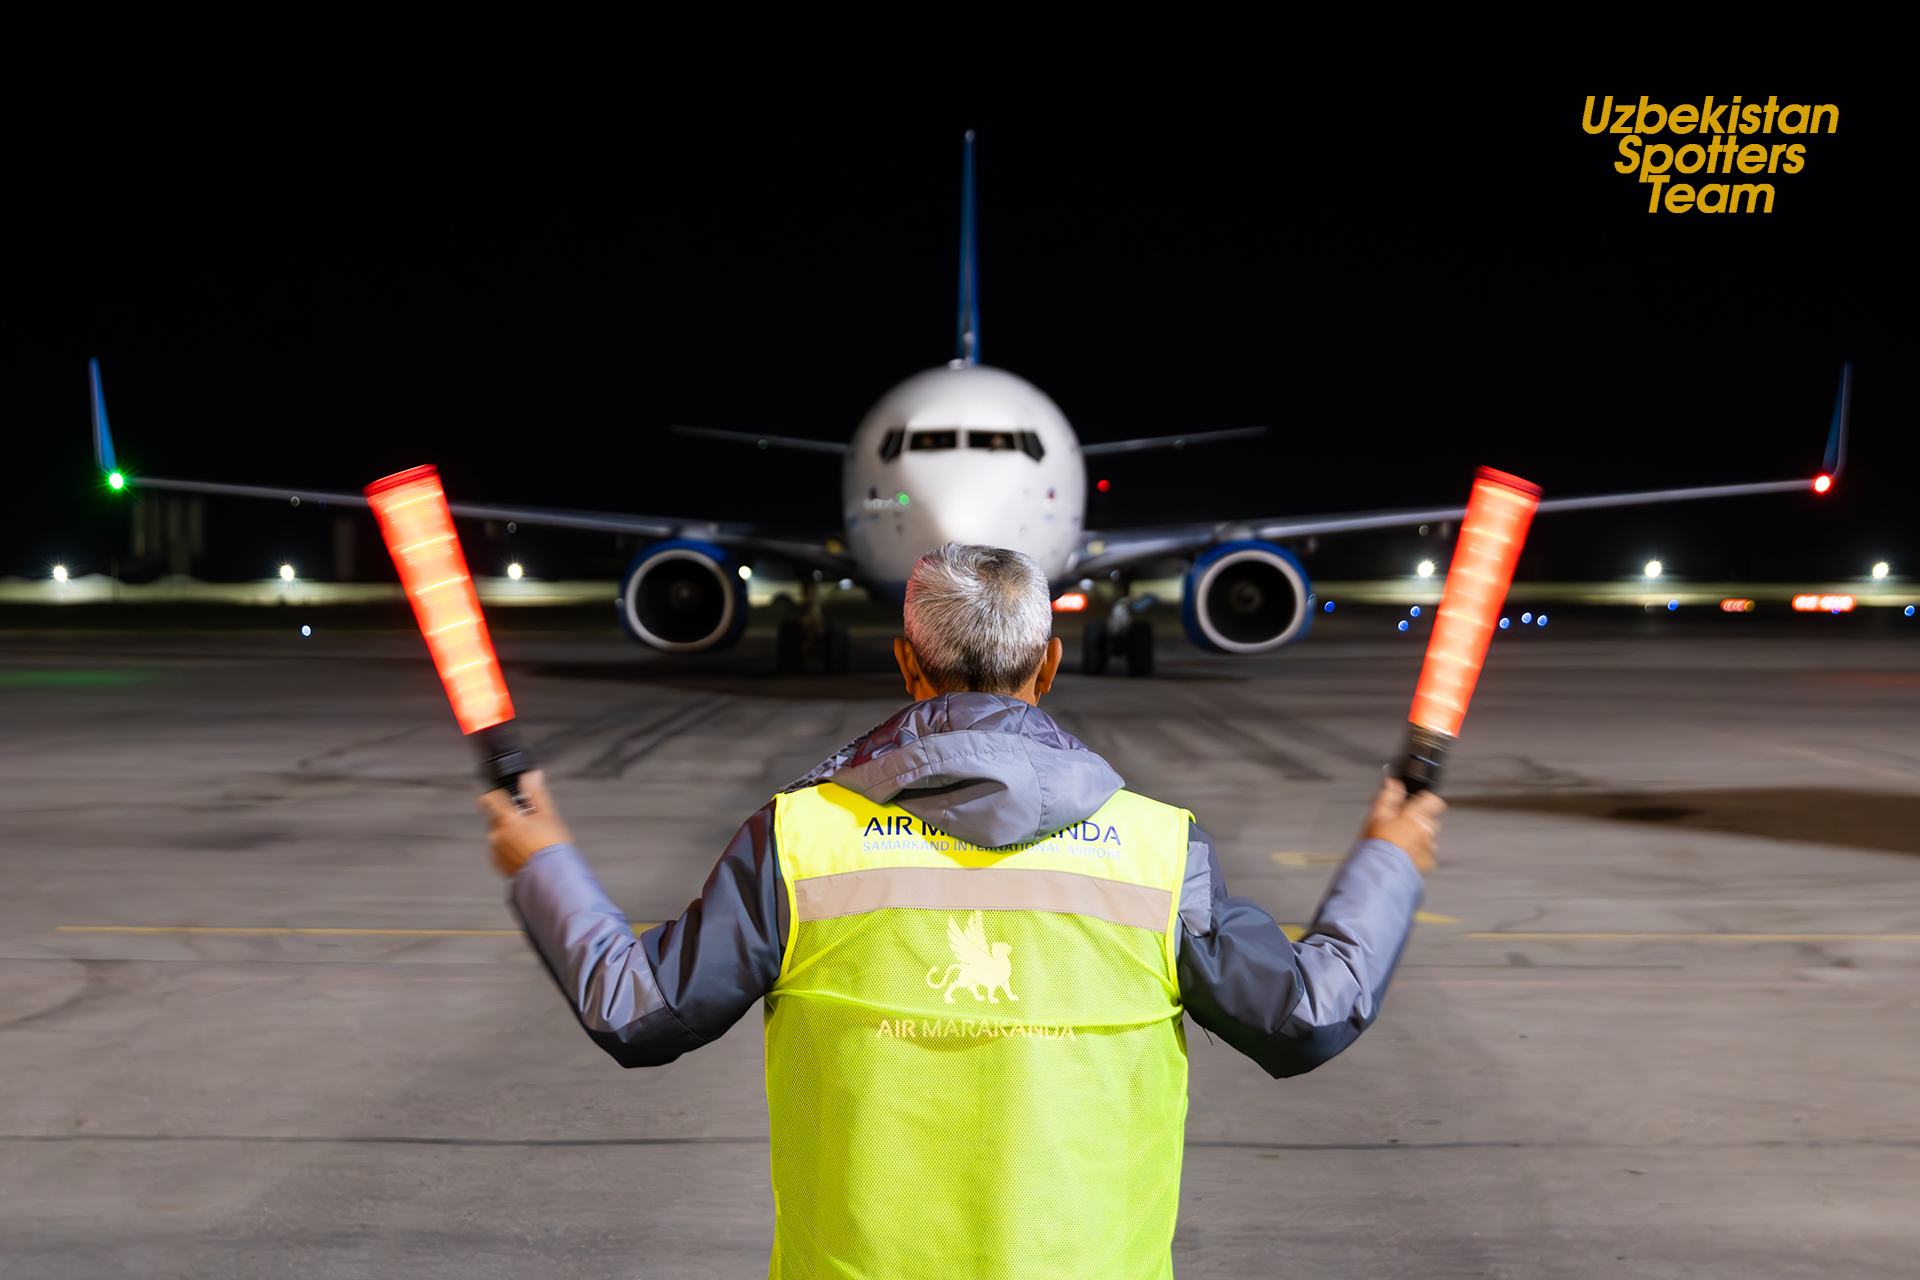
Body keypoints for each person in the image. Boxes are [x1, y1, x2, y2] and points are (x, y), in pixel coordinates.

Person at [480, 542, 1443, 1279]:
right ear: (1048, 666)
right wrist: (1390, 857)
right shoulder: (1160, 852)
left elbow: (635, 1008)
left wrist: (542, 862)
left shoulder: (798, 841)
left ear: (908, 665)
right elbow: (1308, 1016)